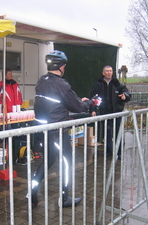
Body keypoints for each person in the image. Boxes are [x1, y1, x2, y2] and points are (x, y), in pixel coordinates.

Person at [29, 50, 100, 208]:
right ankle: (64, 198)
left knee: (48, 161)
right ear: (61, 67)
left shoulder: (42, 80)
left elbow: (55, 101)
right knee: (67, 162)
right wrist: (91, 102)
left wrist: (74, 101)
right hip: (56, 132)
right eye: (64, 66)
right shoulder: (61, 84)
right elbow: (78, 106)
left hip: (41, 129)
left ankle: (32, 192)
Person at [90, 65, 131, 158]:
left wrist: (125, 95)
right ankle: (109, 151)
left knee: (118, 133)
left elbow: (127, 93)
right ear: (103, 73)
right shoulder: (98, 85)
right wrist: (93, 109)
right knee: (107, 133)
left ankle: (119, 152)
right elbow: (93, 98)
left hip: (117, 113)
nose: (109, 72)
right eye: (107, 71)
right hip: (105, 113)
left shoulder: (118, 84)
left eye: (110, 71)